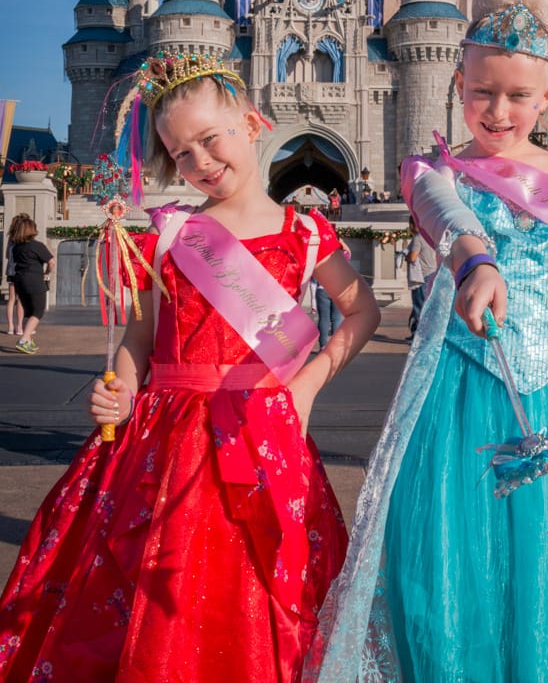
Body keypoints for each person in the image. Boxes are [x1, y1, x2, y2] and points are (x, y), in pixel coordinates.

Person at [303, 0, 548, 682]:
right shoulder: (431, 170)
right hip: (456, 411)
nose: (498, 110)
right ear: (456, 85)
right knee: (450, 575)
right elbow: (446, 220)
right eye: (482, 92)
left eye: (517, 95)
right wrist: (477, 260)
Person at [0, 52, 380, 683]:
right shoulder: (169, 236)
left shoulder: (309, 234)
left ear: (253, 123)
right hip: (165, 439)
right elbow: (141, 335)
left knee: (261, 580)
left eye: (210, 139)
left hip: (262, 432)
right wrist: (117, 389)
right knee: (154, 582)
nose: (200, 162)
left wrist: (311, 379)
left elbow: (360, 310)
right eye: (181, 153)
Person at [10, 215, 54, 355]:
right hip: (34, 280)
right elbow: (51, 261)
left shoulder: (16, 248)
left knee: (28, 312)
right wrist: (47, 272)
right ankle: (23, 339)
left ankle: (27, 339)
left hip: (19, 280)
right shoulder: (37, 245)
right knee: (38, 311)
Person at [405, 216, 436, 339]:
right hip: (432, 273)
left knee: (419, 305)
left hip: (421, 276)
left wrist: (405, 257)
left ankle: (419, 335)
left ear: (413, 224)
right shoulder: (430, 237)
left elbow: (412, 257)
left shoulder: (418, 238)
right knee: (427, 305)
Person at [5, 215, 26, 336]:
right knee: (21, 300)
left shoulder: (11, 237)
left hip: (11, 270)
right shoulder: (23, 238)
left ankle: (10, 327)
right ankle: (19, 327)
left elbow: (7, 255)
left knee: (11, 299)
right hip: (21, 270)